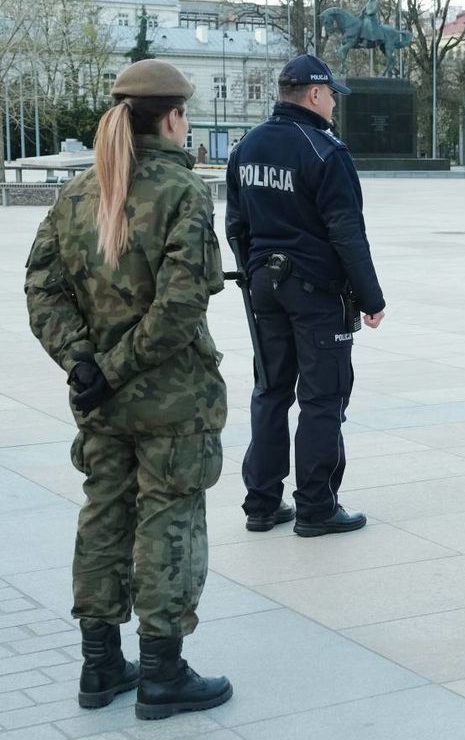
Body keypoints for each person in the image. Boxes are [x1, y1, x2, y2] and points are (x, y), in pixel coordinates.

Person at [24, 59, 232, 720]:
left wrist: (83, 364)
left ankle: (99, 665)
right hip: (170, 400)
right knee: (169, 518)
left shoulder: (80, 192)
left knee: (104, 515)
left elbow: (41, 288)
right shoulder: (183, 192)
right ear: (172, 117)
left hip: (101, 405)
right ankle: (162, 674)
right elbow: (177, 310)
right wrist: (109, 368)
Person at [226, 54, 385, 537]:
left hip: (264, 288)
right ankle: (316, 506)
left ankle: (262, 503)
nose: (335, 102)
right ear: (314, 94)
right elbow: (346, 232)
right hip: (316, 293)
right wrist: (370, 297)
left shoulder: (246, 148)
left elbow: (236, 225)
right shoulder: (324, 151)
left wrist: (255, 277)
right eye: (332, 93)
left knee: (270, 392)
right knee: (322, 399)